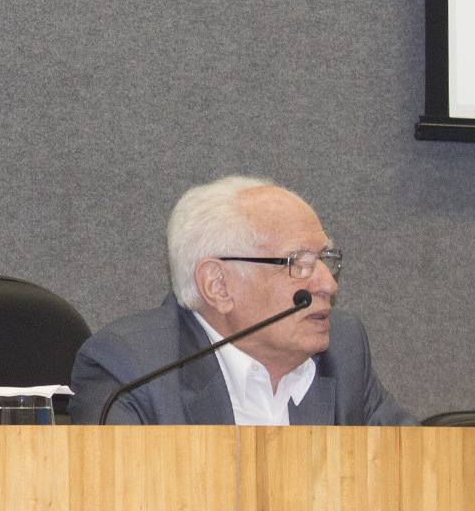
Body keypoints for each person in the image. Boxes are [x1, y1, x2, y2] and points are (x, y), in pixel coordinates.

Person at [70, 175, 414, 426]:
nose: (327, 284)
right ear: (218, 285)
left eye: (325, 259)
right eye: (299, 263)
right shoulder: (133, 370)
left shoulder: (344, 350)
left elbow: (418, 474)